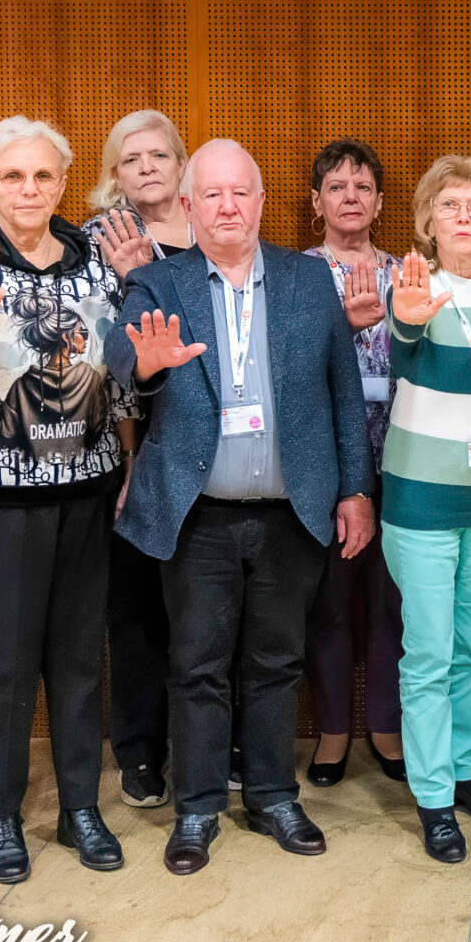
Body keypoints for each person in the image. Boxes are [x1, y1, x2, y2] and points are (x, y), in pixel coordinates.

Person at [111, 138, 377, 877]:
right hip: (198, 514)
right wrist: (143, 361)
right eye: (213, 195)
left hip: (294, 510)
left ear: (261, 203)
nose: (228, 207)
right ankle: (196, 807)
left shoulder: (307, 280)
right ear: (190, 208)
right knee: (195, 666)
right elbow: (116, 352)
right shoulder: (160, 284)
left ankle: (272, 796)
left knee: (276, 662)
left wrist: (355, 489)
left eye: (242, 193)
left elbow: (343, 395)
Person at [0, 117, 135, 885]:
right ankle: (2, 817)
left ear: (62, 184)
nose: (29, 190)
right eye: (12, 177)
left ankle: (81, 808)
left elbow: (117, 375)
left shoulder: (93, 265)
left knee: (78, 660)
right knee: (3, 666)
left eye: (42, 177)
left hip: (85, 487)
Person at [380, 158, 471, 862]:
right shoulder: (414, 289)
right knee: (430, 653)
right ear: (428, 222)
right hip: (421, 501)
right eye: (450, 204)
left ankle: (467, 773)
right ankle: (434, 797)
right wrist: (405, 325)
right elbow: (404, 355)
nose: (465, 214)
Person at [83, 108, 196, 809]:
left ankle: (211, 745)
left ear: (182, 165)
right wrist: (129, 457)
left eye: (159, 154)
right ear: (114, 175)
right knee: (137, 610)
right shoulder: (98, 242)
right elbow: (103, 352)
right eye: (132, 159)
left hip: (215, 442)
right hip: (133, 441)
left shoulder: (219, 228)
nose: (148, 166)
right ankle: (141, 751)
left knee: (210, 607)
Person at [301, 140, 406, 786]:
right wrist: (342, 323)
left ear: (380, 202)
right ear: (316, 203)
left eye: (362, 187)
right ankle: (334, 730)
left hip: (400, 458)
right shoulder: (296, 275)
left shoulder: (407, 272)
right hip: (327, 464)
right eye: (336, 187)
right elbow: (289, 366)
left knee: (394, 603)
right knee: (330, 605)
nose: (350, 197)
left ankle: (389, 730)